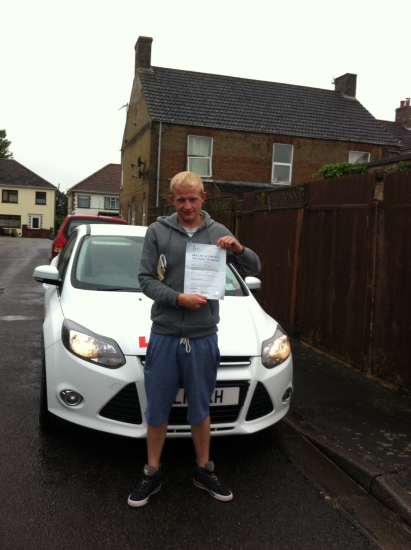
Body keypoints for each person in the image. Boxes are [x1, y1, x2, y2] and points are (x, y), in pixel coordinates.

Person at [128, 171, 261, 507]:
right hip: (164, 336)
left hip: (203, 338)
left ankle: (204, 469)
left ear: (204, 198)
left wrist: (238, 248)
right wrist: (177, 298)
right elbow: (145, 279)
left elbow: (254, 265)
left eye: (193, 199)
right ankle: (152, 471)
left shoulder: (218, 233)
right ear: (172, 200)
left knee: (200, 408)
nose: (187, 205)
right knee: (158, 408)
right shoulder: (157, 231)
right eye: (181, 199)